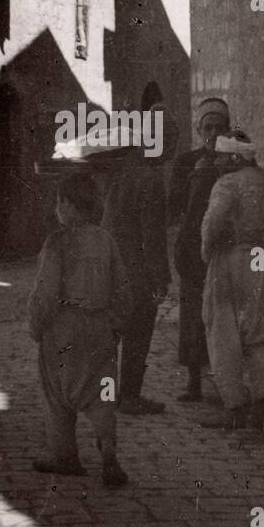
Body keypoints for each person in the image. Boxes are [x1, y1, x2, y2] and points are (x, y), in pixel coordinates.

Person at [27, 170, 131, 488]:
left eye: (60, 202)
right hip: (100, 325)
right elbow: (123, 290)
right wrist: (115, 323)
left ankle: (66, 457)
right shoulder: (105, 239)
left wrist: (36, 325)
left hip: (64, 326)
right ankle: (108, 449)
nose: (57, 209)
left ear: (70, 205)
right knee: (100, 391)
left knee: (57, 394)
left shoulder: (57, 242)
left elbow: (45, 292)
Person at [200, 130, 264, 429]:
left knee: (224, 333)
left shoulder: (227, 184)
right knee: (258, 332)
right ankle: (260, 403)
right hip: (261, 259)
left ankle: (234, 406)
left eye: (222, 157)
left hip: (232, 260)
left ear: (234, 157)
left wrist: (207, 253)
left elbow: (212, 223)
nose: (218, 162)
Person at [101, 138, 170, 416]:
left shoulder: (116, 177)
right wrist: (160, 277)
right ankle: (129, 397)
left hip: (110, 266)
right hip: (136, 269)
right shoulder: (149, 178)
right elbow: (152, 236)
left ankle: (102, 393)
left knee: (110, 333)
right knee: (139, 333)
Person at [169, 97, 232, 401]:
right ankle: (194, 380)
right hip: (194, 249)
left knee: (223, 315)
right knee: (193, 315)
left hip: (223, 248)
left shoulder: (235, 161)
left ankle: (224, 381)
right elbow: (175, 204)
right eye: (207, 127)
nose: (212, 133)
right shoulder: (185, 162)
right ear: (198, 129)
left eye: (219, 128)